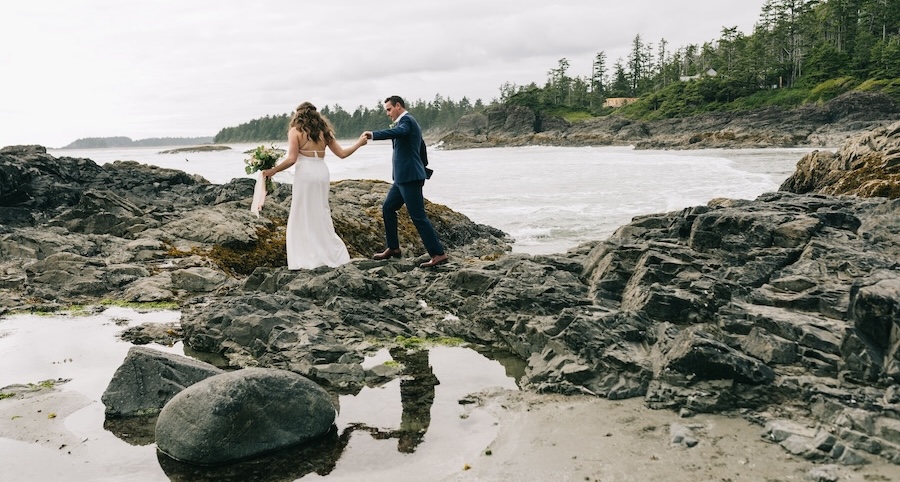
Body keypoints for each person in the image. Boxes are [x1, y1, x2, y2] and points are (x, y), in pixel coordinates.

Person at [262, 102, 367, 270]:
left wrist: (273, 171)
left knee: (302, 213)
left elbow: (291, 159)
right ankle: (331, 252)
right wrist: (359, 143)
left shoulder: (295, 132)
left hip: (306, 173)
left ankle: (306, 257)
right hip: (322, 172)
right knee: (321, 211)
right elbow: (342, 154)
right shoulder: (324, 132)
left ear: (298, 115)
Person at [363, 96, 448, 268]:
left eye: (389, 109)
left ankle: (438, 254)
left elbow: (399, 133)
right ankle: (393, 248)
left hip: (410, 178)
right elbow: (422, 146)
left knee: (418, 217)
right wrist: (421, 165)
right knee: (388, 208)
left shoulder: (407, 121)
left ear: (398, 106)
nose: (387, 113)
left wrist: (373, 135)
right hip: (402, 179)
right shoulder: (407, 123)